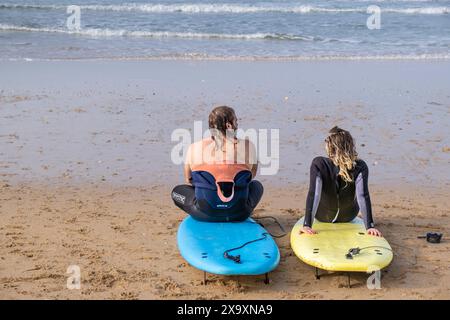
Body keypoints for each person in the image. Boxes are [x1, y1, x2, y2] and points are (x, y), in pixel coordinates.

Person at [171, 106, 263, 222]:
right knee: (256, 186)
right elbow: (251, 177)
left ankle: (209, 204)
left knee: (176, 191)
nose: (238, 124)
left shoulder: (194, 148)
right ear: (229, 125)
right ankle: (231, 205)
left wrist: (210, 187)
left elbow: (189, 180)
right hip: (240, 213)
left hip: (204, 213)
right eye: (236, 121)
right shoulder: (248, 146)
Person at [300, 126, 382, 236]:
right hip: (348, 216)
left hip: (323, 216)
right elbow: (362, 195)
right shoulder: (360, 166)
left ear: (330, 147)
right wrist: (370, 226)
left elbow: (315, 194)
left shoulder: (319, 164)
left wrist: (307, 225)